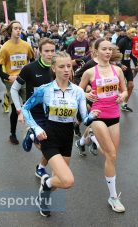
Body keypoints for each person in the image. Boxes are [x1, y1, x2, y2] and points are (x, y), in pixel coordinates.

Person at [22, 51, 99, 217]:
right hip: (50, 135)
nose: (66, 69)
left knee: (59, 181)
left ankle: (46, 186)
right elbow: (25, 108)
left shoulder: (78, 91)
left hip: (67, 136)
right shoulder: (45, 90)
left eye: (69, 66)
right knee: (68, 180)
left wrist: (91, 116)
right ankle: (32, 137)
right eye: (61, 66)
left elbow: (83, 118)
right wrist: (36, 128)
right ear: (54, 68)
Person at [80, 39, 128, 212]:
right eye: (104, 49)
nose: (108, 52)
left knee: (112, 157)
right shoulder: (90, 72)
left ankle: (90, 137)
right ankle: (113, 197)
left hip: (114, 114)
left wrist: (123, 95)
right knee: (111, 153)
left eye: (110, 49)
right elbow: (79, 91)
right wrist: (86, 94)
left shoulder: (117, 70)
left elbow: (125, 90)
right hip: (97, 115)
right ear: (96, 51)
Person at [10, 38, 55, 179]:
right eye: (46, 51)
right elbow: (14, 89)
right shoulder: (30, 69)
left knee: (53, 145)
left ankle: (40, 167)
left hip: (52, 112)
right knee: (48, 147)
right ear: (39, 52)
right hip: (34, 113)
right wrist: (19, 111)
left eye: (52, 51)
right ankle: (33, 136)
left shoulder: (57, 68)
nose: (50, 54)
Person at [0, 20, 34, 144]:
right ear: (10, 31)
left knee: (29, 105)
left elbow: (33, 61)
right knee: (15, 107)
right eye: (15, 28)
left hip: (25, 79)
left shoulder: (26, 45)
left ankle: (33, 131)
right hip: (11, 82)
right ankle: (13, 134)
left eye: (20, 28)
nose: (18, 30)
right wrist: (8, 76)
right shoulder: (5, 47)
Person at [117, 28, 138, 112]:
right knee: (119, 87)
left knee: (131, 85)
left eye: (135, 32)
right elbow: (116, 53)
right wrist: (119, 64)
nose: (134, 34)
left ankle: (124, 104)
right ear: (128, 33)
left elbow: (129, 53)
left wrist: (136, 60)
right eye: (132, 32)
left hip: (127, 66)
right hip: (120, 67)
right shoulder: (122, 41)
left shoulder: (132, 41)